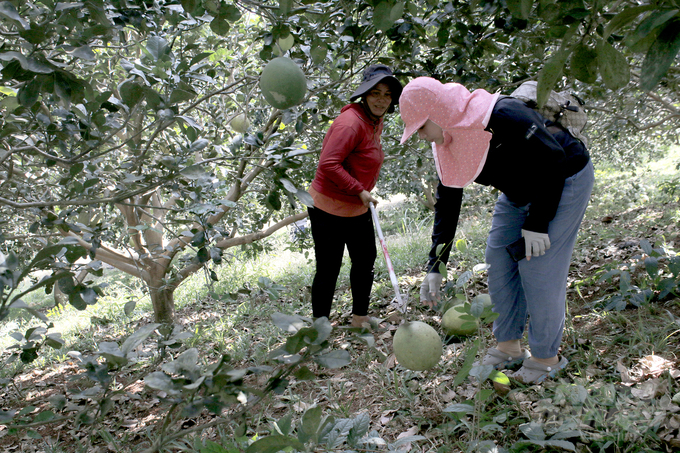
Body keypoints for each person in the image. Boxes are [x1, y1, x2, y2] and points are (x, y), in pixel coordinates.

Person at [399, 77, 594, 383]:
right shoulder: (448, 143)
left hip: (563, 178)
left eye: (422, 127)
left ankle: (546, 358)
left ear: (438, 112)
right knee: (498, 259)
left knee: (539, 267)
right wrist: (436, 266)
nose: (421, 136)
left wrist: (537, 224)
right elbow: (447, 204)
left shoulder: (502, 114)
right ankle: (509, 346)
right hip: (518, 193)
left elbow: (553, 157)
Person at [308, 65, 403, 328]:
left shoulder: (375, 120)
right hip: (328, 207)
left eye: (387, 94)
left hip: (357, 207)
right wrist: (359, 189)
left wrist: (361, 192)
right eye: (375, 93)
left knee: (365, 261)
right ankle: (319, 328)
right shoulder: (350, 124)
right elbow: (328, 164)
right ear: (364, 94)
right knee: (328, 268)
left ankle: (360, 318)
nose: (381, 100)